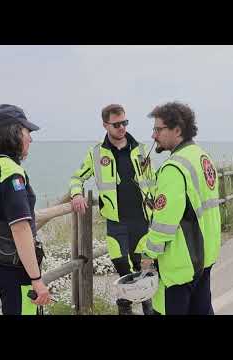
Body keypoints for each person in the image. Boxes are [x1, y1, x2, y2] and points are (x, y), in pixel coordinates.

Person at [69, 104, 156, 315]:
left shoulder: (141, 149)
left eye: (124, 123)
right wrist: (77, 194)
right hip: (116, 224)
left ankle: (149, 310)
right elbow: (77, 177)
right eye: (116, 124)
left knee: (144, 271)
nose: (121, 128)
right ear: (105, 125)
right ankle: (125, 311)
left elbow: (152, 182)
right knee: (123, 271)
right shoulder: (97, 153)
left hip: (142, 221)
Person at [141, 101, 221, 315]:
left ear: (177, 130)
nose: (153, 135)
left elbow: (164, 223)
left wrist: (148, 254)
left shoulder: (173, 167)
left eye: (158, 129)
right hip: (205, 257)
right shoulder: (202, 157)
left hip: (179, 265)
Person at [0, 104, 51, 315]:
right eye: (27, 132)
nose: (30, 138)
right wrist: (37, 280)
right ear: (13, 133)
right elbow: (20, 228)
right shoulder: (11, 173)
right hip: (12, 262)